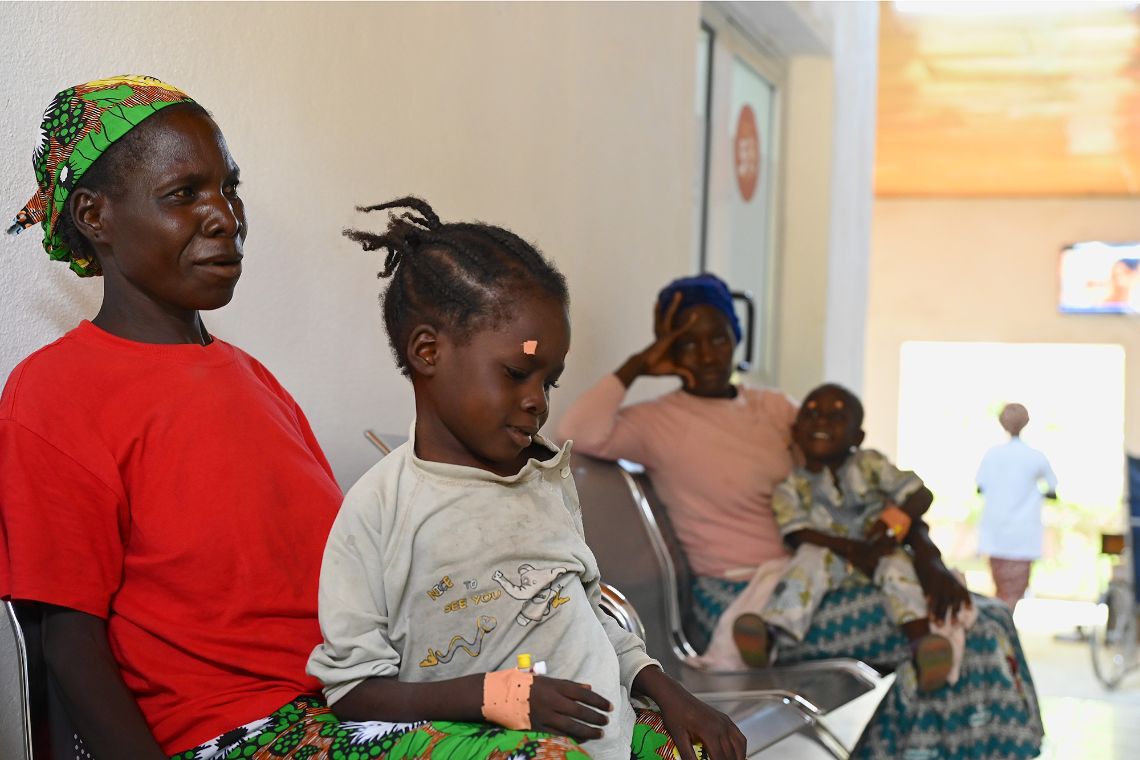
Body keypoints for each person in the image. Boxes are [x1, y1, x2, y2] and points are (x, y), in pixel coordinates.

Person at [4, 76, 622, 760]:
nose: (225, 217)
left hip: (351, 701)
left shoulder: (250, 378)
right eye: (184, 194)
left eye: (228, 190)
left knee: (640, 733)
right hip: (235, 731)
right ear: (95, 216)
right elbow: (68, 643)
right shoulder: (56, 392)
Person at [308, 198, 745, 760]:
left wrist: (667, 690)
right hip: (493, 741)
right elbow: (352, 694)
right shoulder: (379, 510)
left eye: (549, 381)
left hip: (602, 732)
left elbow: (581, 614)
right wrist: (497, 696)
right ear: (427, 351)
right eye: (517, 373)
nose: (536, 401)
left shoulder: (544, 480)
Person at [557, 273, 1045, 759]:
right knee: (971, 629)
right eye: (686, 343)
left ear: (737, 338)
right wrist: (638, 365)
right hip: (748, 611)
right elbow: (574, 432)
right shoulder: (655, 421)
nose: (705, 354)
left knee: (985, 619)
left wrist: (928, 557)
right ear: (667, 349)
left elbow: (856, 475)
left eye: (718, 337)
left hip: (818, 585)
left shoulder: (773, 408)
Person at [730, 383, 955, 693]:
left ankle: (922, 644)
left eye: (836, 417)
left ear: (857, 437)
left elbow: (919, 495)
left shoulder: (870, 463)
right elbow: (796, 533)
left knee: (898, 568)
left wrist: (892, 525)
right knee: (806, 560)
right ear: (795, 432)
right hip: (830, 554)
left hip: (879, 551)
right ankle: (769, 637)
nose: (821, 421)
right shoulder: (790, 486)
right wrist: (851, 549)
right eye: (811, 414)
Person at [977, 403, 1058, 610]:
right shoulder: (1035, 456)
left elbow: (981, 486)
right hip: (1023, 535)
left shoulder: (992, 455)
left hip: (997, 533)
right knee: (1013, 593)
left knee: (1002, 591)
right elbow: (1052, 487)